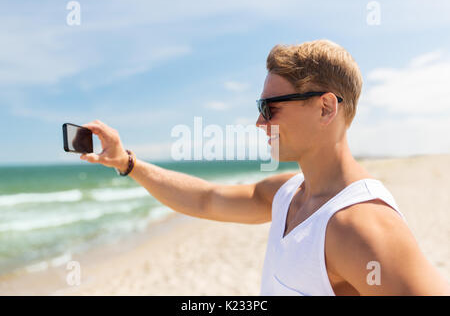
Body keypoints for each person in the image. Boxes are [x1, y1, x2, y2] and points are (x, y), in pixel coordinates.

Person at [80, 40, 449, 296]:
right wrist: (127, 163)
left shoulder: (360, 225)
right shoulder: (289, 193)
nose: (259, 123)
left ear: (325, 108)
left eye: (269, 108)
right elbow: (207, 200)